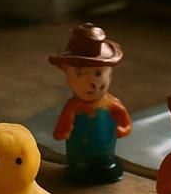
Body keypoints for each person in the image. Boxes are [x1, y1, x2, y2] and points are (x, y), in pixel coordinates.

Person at [47, 23, 130, 184]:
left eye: (98, 73)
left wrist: (123, 128)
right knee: (79, 164)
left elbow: (125, 121)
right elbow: (63, 126)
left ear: (110, 73)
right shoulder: (73, 107)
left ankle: (106, 163)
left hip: (106, 151)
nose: (92, 81)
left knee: (105, 161)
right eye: (79, 73)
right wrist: (63, 131)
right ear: (67, 73)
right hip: (79, 153)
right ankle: (79, 165)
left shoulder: (112, 103)